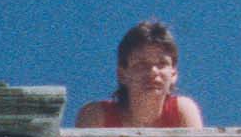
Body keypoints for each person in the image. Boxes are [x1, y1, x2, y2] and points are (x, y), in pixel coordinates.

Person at [76, 20, 204, 130]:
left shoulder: (181, 111)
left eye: (162, 64)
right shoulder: (97, 117)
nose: (153, 71)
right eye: (142, 65)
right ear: (122, 74)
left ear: (174, 74)